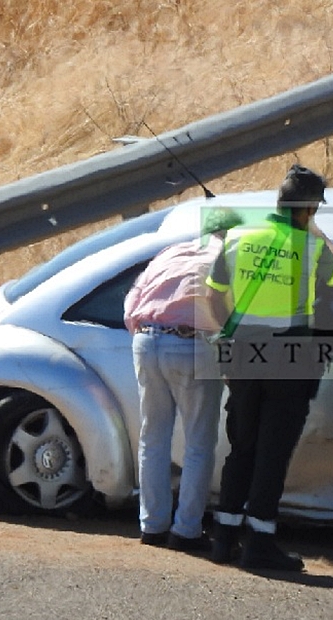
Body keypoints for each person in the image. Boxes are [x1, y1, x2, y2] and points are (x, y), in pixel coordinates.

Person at [206, 164, 333, 571]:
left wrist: (227, 333)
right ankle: (260, 543)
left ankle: (224, 539)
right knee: (273, 452)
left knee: (242, 447)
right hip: (289, 357)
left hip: (243, 351)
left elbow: (213, 295)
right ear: (309, 209)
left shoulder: (237, 237)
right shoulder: (313, 249)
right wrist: (315, 231)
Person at [124, 207, 243, 552]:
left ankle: (152, 525)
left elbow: (132, 299)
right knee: (198, 443)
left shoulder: (171, 251)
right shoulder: (229, 256)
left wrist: (145, 333)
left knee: (153, 437)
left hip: (146, 339)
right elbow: (231, 307)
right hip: (192, 342)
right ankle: (187, 530)